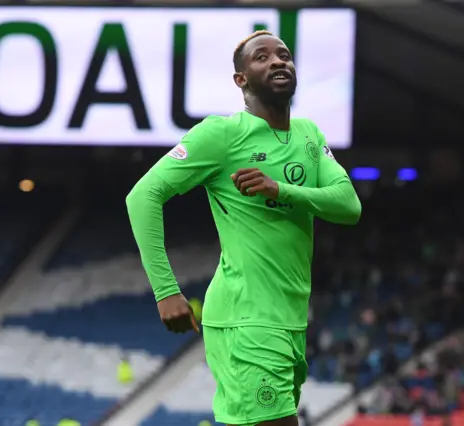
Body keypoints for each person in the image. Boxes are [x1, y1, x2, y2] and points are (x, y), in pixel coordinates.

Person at [126, 30, 361, 426]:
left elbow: (348, 205)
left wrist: (281, 190)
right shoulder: (221, 134)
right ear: (242, 80)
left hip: (290, 319)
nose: (277, 61)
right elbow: (142, 196)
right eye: (262, 57)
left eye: (284, 55)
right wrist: (166, 290)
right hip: (245, 318)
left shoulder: (310, 134)